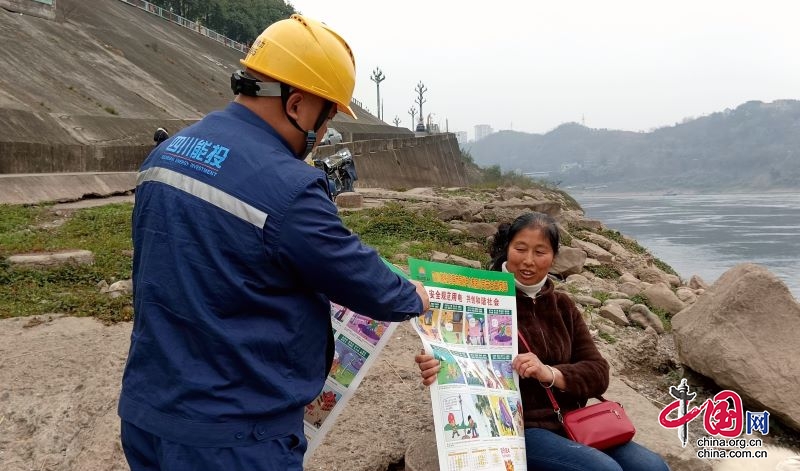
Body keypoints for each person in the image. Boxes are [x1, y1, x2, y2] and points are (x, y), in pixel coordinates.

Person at [118, 14, 430, 471]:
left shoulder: (166, 155)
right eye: (326, 118)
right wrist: (411, 294)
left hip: (148, 413)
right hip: (233, 436)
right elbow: (357, 275)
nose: (321, 134)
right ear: (298, 105)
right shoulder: (289, 186)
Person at [415, 212, 669, 471]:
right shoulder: (477, 301)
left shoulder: (563, 306)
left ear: (553, 257)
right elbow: (456, 356)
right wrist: (437, 363)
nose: (528, 261)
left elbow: (598, 373)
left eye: (540, 252)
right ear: (507, 249)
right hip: (520, 429)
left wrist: (550, 373)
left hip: (573, 421)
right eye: (520, 249)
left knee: (653, 467)